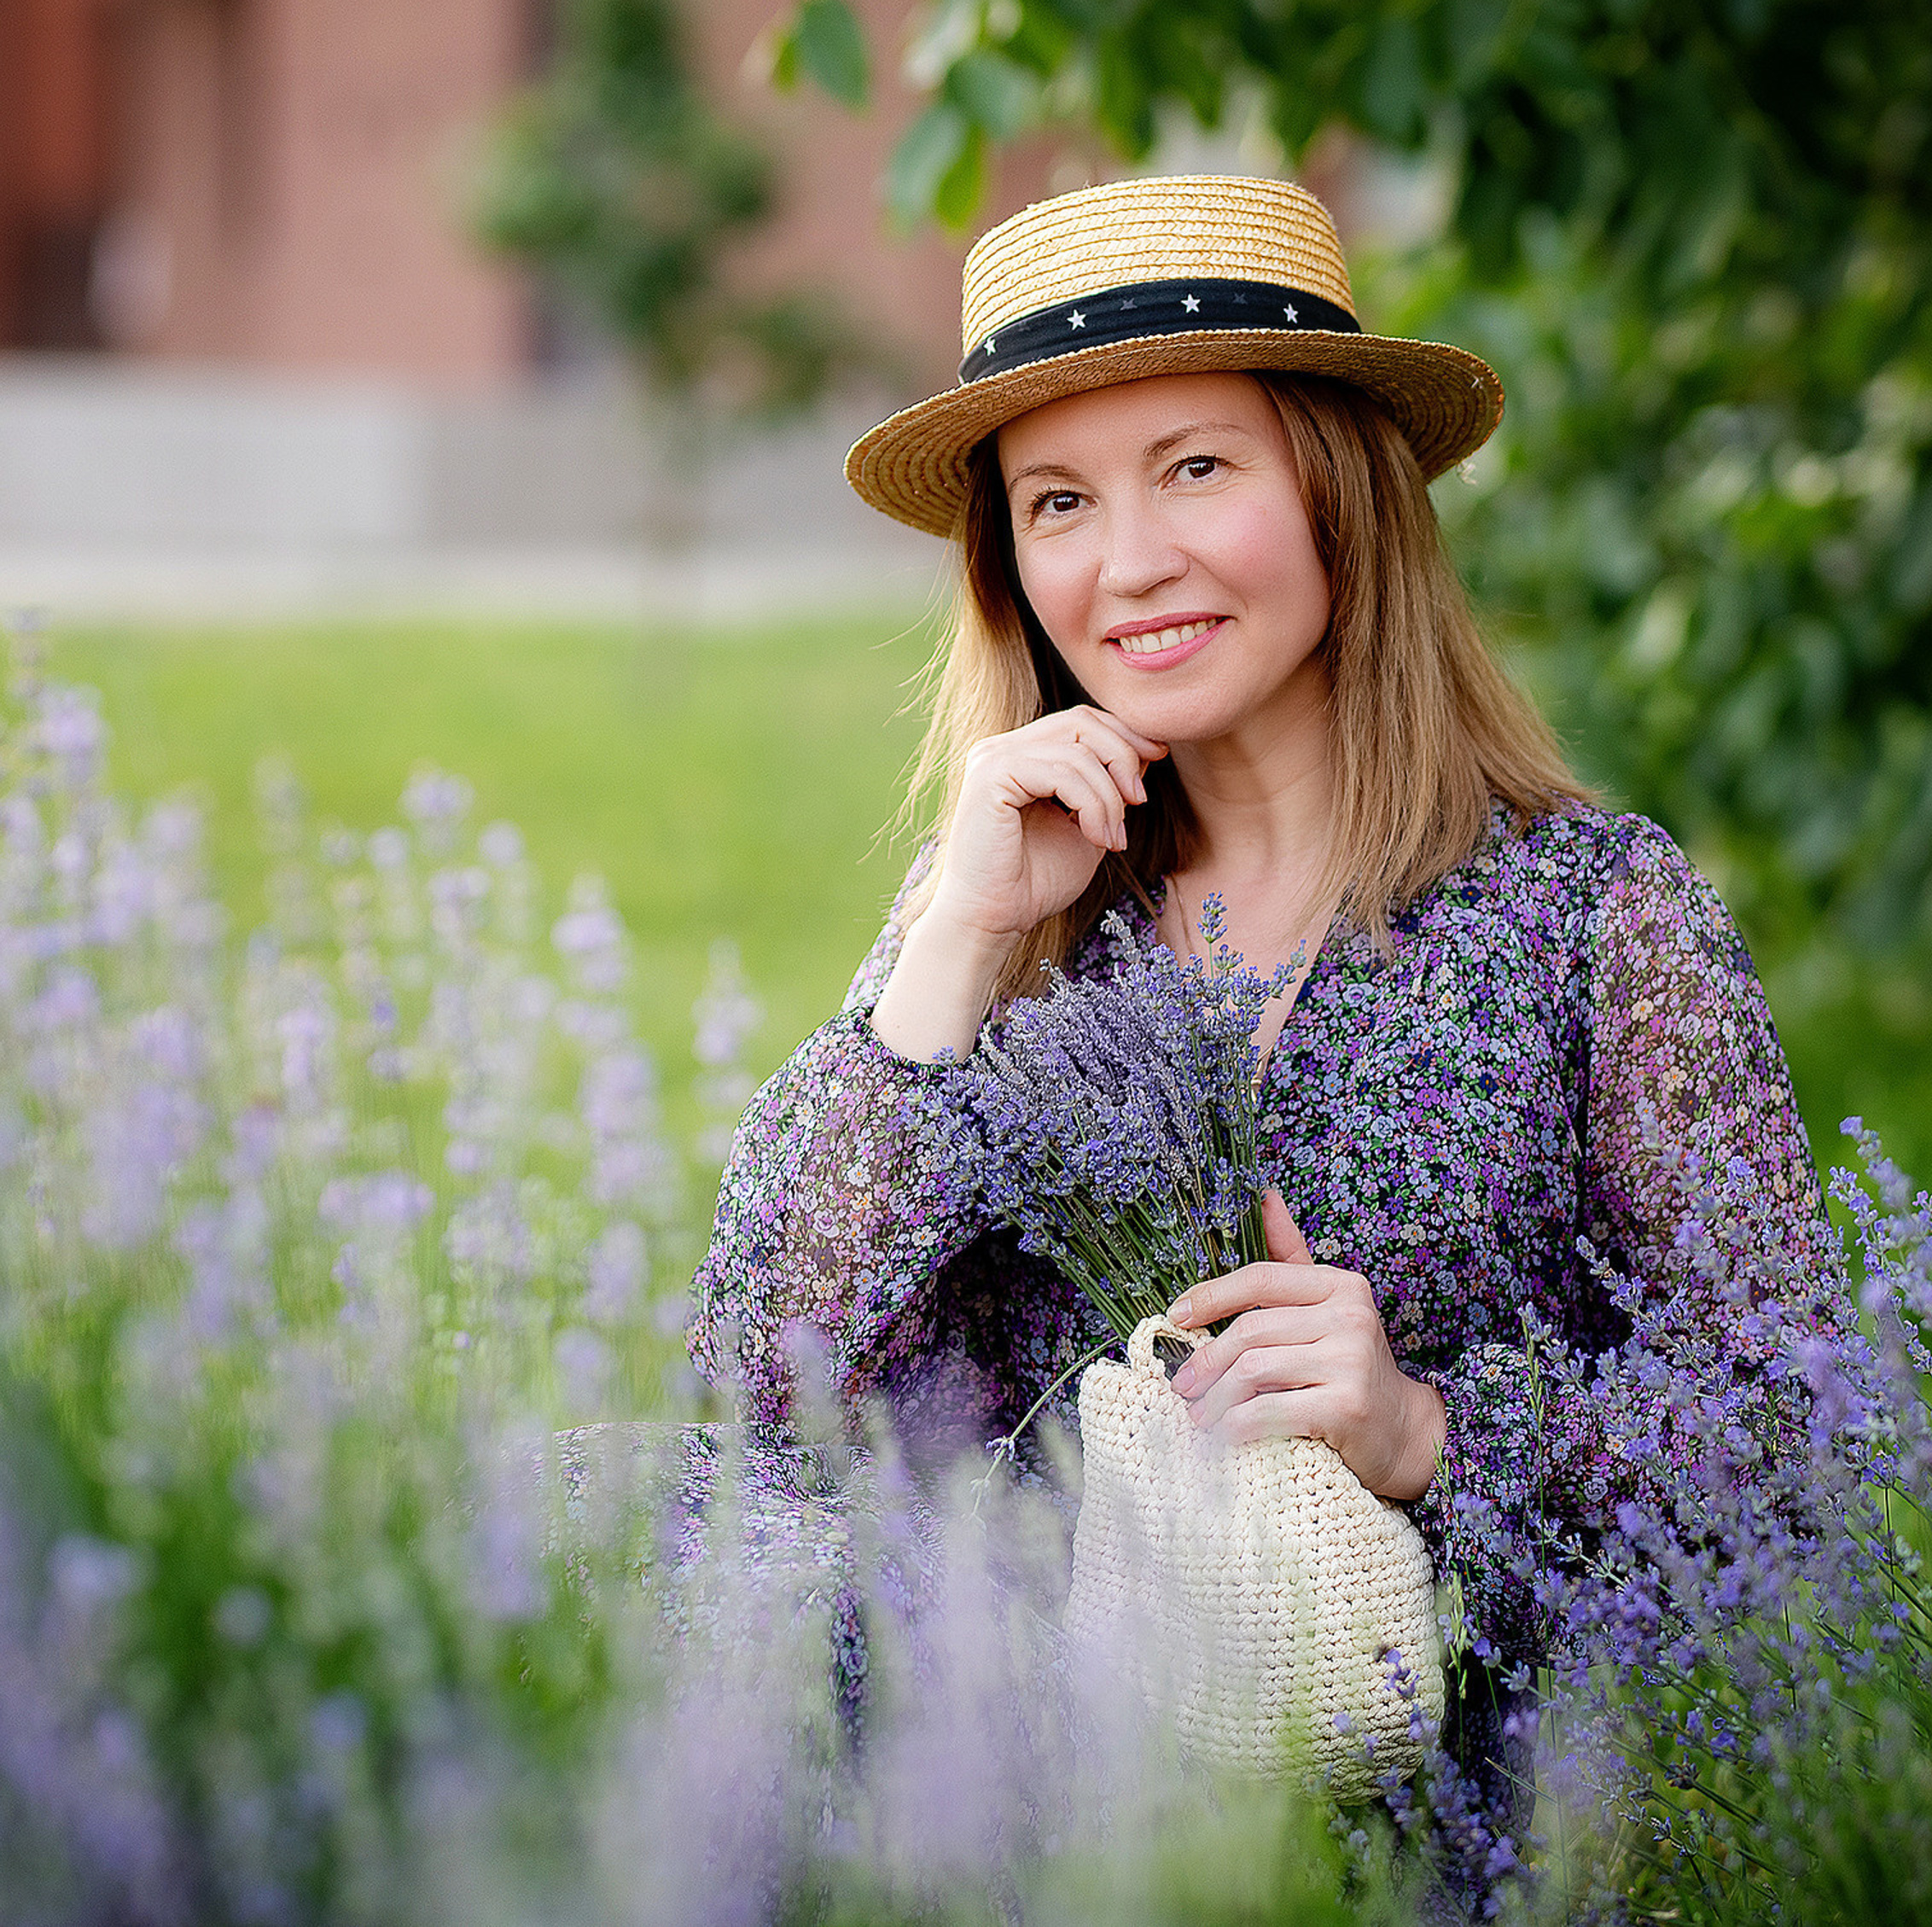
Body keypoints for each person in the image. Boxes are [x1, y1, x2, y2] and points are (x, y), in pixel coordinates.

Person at [680, 175, 1842, 1777]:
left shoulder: (1595, 918)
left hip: (1486, 1829)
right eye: (1060, 503)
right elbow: (764, 1395)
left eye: (1197, 467)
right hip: (1050, 1837)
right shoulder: (1004, 919)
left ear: (1337, 493)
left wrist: (1432, 1433)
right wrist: (953, 938)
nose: (1131, 563)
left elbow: (1797, 1442)